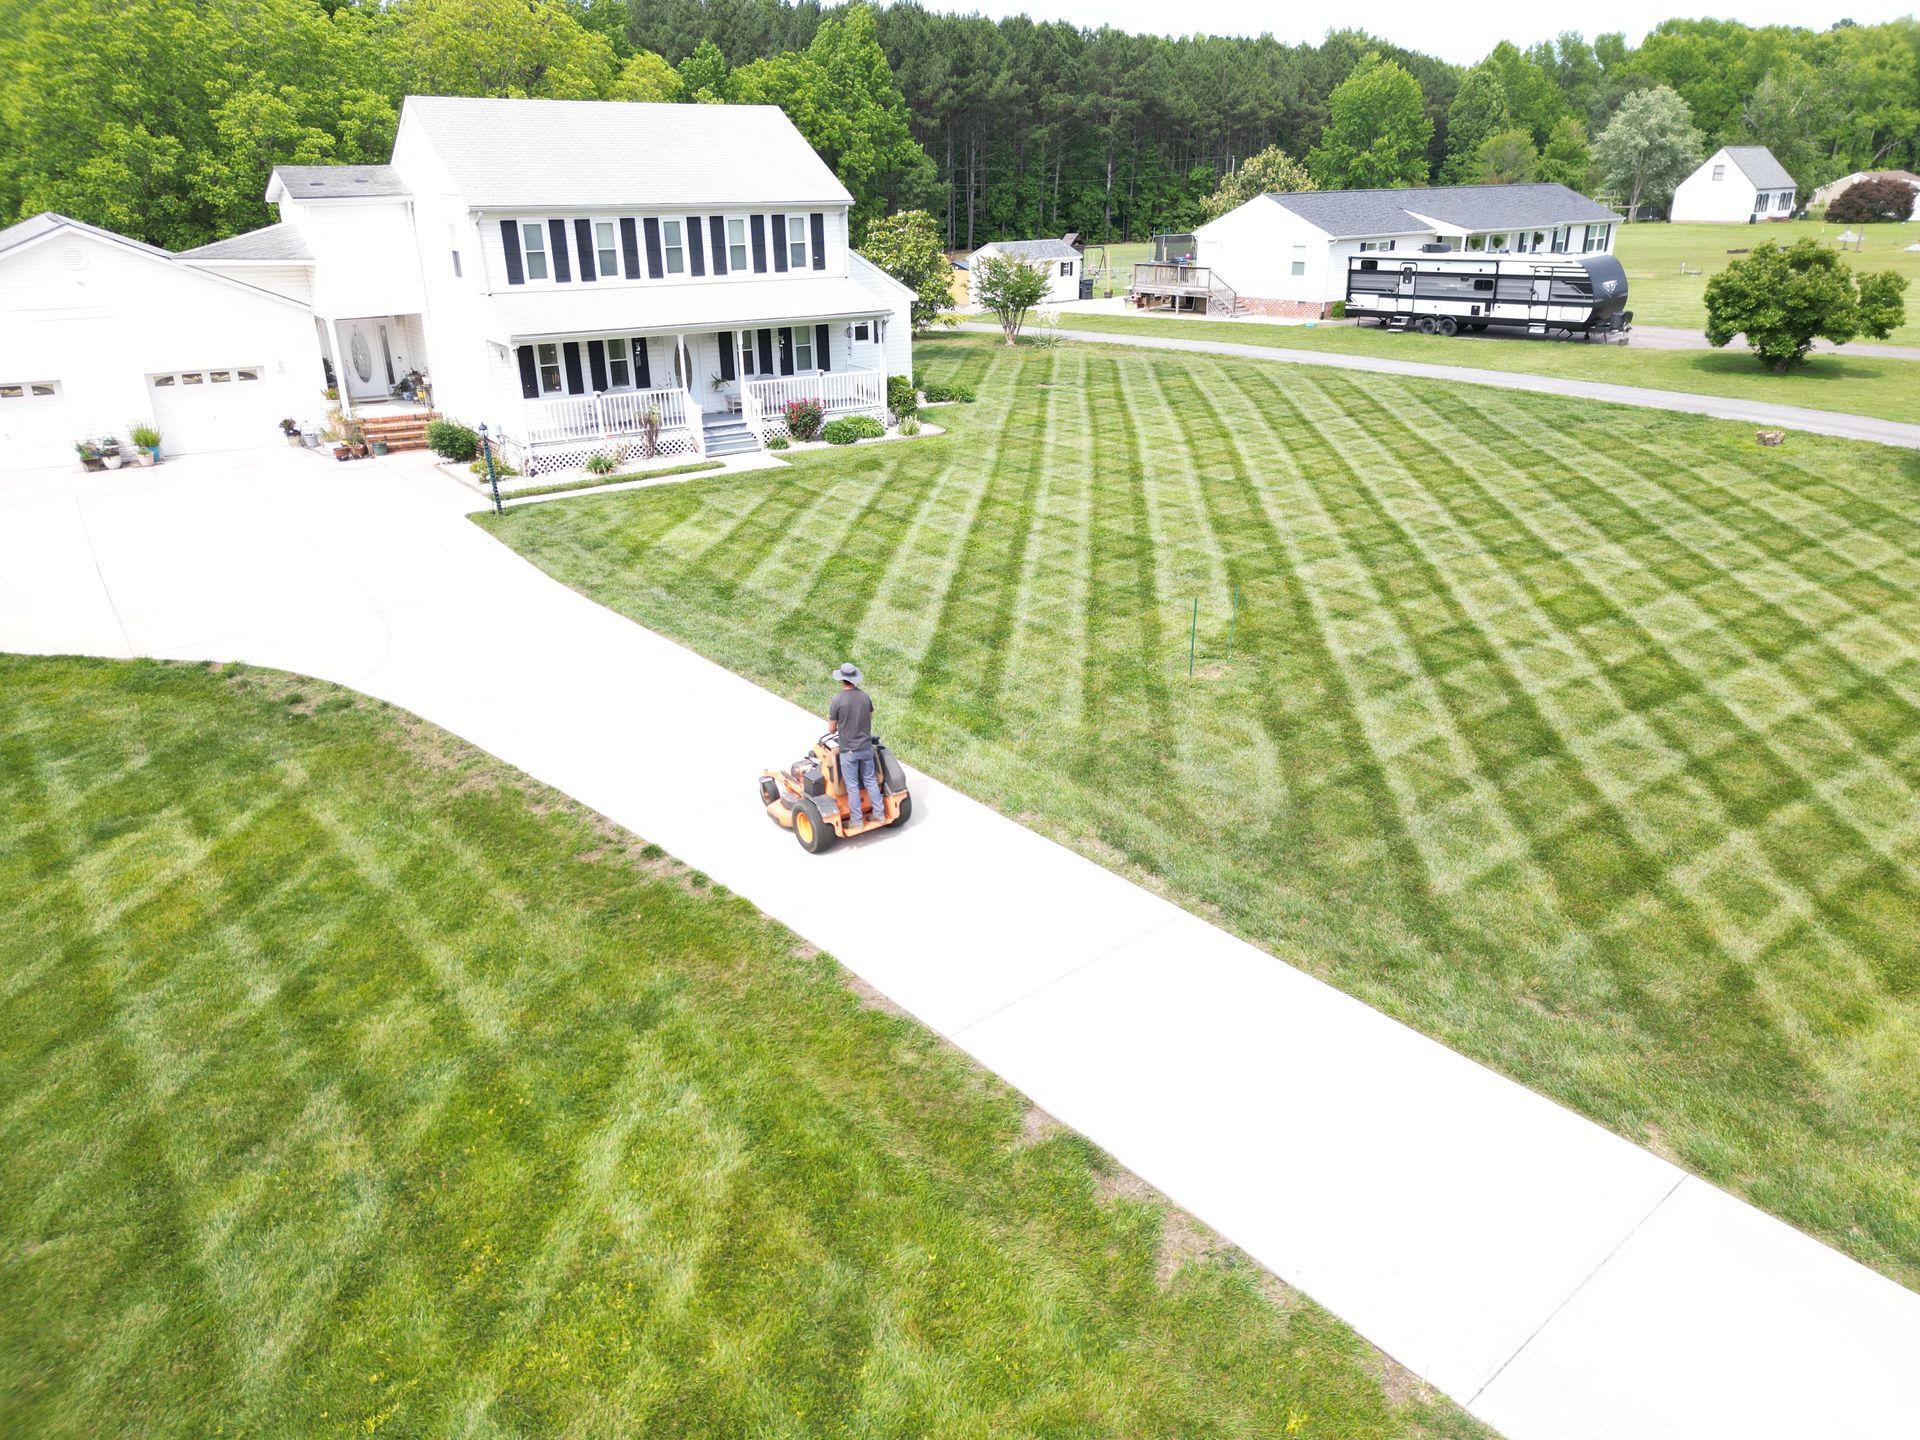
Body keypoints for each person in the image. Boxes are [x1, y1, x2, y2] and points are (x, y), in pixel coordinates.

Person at [827, 662, 885, 833]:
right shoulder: (865, 697)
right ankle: (879, 814)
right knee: (870, 780)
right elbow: (870, 716)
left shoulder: (837, 700)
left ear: (842, 680)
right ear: (854, 679)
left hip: (848, 751)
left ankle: (857, 821)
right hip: (866, 748)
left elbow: (831, 728)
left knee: (852, 786)